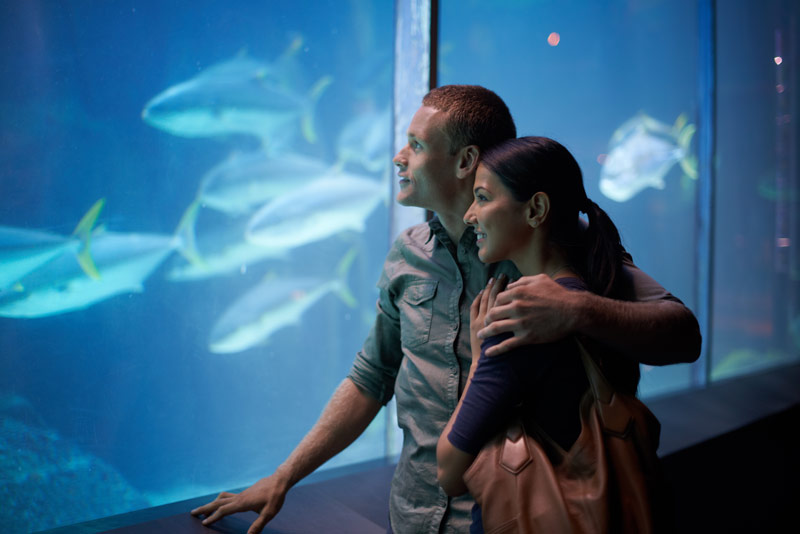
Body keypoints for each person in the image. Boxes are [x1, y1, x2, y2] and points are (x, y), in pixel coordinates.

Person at [191, 86, 700, 534]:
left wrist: (579, 309)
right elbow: (372, 377)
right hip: (411, 517)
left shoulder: (550, 245)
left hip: (518, 514)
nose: (398, 158)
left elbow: (683, 334)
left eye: (415, 146)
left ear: (464, 161)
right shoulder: (406, 254)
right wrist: (285, 477)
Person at [437, 136, 654, 532]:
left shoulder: (521, 321)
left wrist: (479, 352)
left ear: (536, 209)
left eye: (483, 198)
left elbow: (449, 470)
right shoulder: (602, 292)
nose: (470, 214)